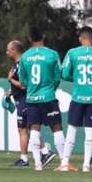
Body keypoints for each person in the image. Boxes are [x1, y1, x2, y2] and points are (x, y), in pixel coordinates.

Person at [59, 26, 92, 172]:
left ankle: (65, 163)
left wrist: (74, 78)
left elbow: (64, 73)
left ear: (81, 39)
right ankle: (86, 165)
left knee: (72, 131)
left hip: (77, 97)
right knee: (89, 132)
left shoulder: (73, 53)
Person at [19, 27, 65, 172]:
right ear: (43, 36)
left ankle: (38, 164)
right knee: (56, 128)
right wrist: (50, 89)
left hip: (32, 98)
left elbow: (23, 80)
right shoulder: (52, 54)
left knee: (34, 129)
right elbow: (58, 76)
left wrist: (32, 88)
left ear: (29, 39)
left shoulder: (25, 56)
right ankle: (64, 162)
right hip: (48, 97)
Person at [6, 40, 55, 167]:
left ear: (15, 50)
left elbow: (24, 86)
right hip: (22, 99)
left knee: (24, 129)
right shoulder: (18, 64)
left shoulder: (23, 63)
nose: (7, 52)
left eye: (8, 50)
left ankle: (29, 157)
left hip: (25, 100)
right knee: (27, 129)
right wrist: (11, 91)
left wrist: (11, 79)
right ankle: (43, 152)